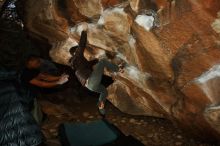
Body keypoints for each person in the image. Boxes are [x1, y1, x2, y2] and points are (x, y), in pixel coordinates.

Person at [69, 24, 124, 116]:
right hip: (91, 81)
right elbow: (81, 45)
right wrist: (84, 31)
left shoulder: (76, 65)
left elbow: (88, 65)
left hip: (90, 87)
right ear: (75, 52)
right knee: (103, 62)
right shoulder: (76, 56)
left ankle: (100, 107)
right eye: (77, 51)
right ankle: (119, 69)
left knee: (104, 91)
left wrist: (96, 60)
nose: (80, 52)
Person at [20, 55, 69, 123]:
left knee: (36, 107)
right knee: (31, 109)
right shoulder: (25, 73)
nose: (39, 64)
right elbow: (41, 84)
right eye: (37, 62)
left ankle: (40, 118)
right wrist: (58, 83)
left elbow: (45, 77)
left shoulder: (33, 69)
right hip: (26, 95)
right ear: (30, 62)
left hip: (33, 93)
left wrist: (60, 77)